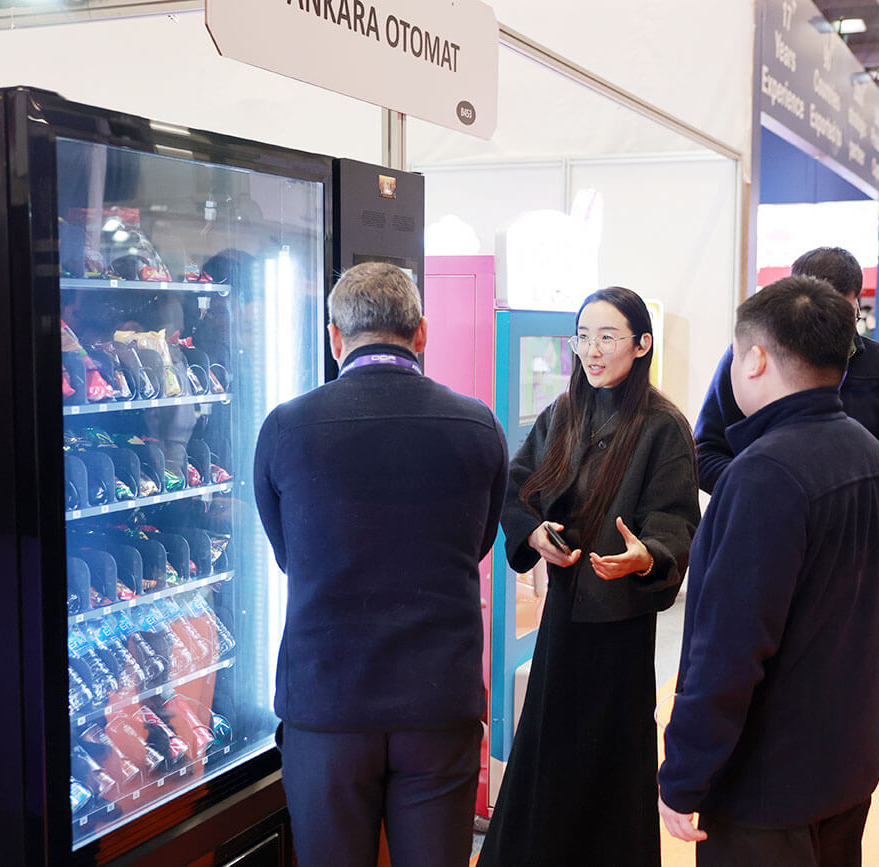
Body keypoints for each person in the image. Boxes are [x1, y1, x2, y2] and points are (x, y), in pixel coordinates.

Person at [252, 262, 508, 867]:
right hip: (438, 702)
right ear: (421, 333)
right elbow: (477, 543)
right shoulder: (478, 425)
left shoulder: (287, 427)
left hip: (328, 703)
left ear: (335, 338)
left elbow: (290, 556)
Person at [658, 276, 879, 865]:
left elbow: (730, 646)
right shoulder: (870, 454)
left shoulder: (763, 473)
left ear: (756, 359)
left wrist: (684, 772)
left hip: (766, 782)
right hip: (845, 759)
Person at [478, 286, 700, 867]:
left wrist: (646, 556)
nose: (592, 351)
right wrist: (532, 533)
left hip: (620, 626)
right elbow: (517, 487)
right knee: (547, 754)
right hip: (562, 621)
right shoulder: (564, 412)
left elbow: (675, 521)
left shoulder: (663, 426)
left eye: (607, 337)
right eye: (582, 337)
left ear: (642, 344)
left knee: (611, 766)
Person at [695, 246, 879, 503]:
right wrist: (766, 489)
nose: (825, 326)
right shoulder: (748, 358)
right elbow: (704, 454)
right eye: (813, 313)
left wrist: (850, 499)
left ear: (856, 304)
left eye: (837, 312)